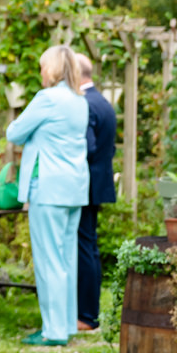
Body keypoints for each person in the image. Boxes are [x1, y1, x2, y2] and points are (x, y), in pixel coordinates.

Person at [6, 44, 91, 346]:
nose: (41, 71)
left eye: (43, 66)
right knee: (66, 259)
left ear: (53, 69)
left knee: (48, 260)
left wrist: (30, 132)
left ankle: (52, 332)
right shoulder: (80, 101)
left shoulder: (47, 99)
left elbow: (14, 132)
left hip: (49, 188)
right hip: (75, 188)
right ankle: (65, 325)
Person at [76, 51, 117, 332]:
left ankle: (87, 316)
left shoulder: (85, 104)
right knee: (90, 246)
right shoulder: (102, 101)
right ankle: (89, 313)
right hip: (99, 182)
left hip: (86, 184)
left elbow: (87, 146)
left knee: (84, 247)